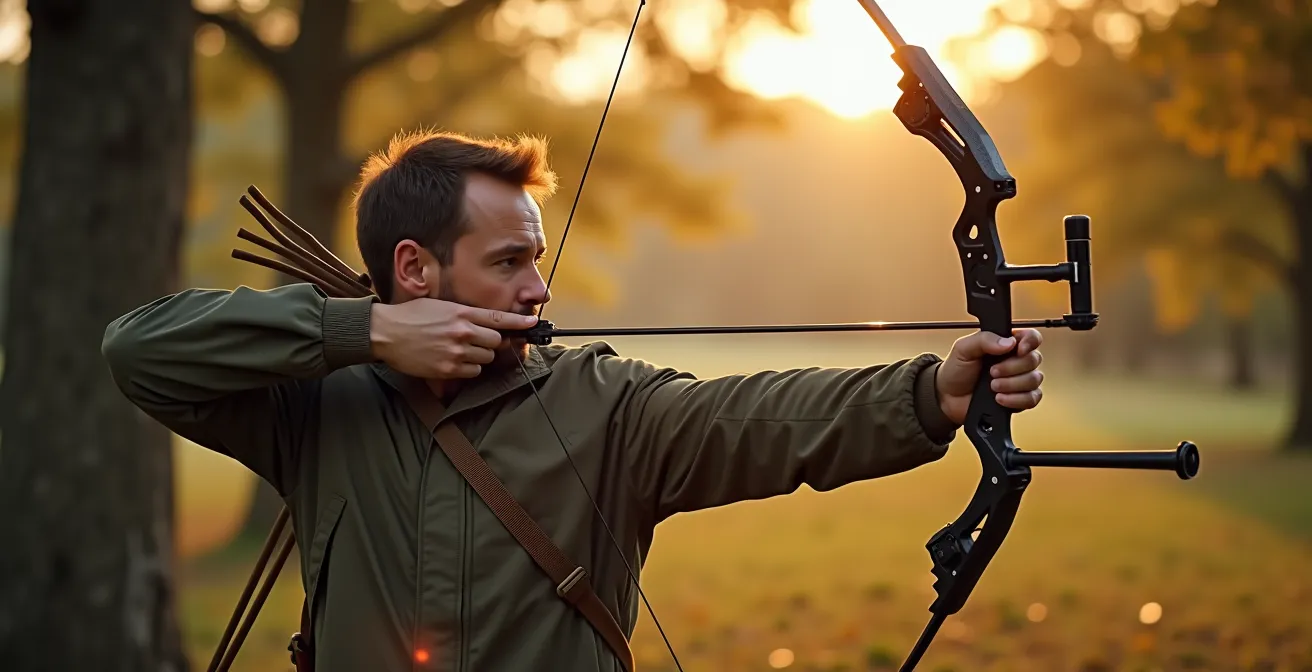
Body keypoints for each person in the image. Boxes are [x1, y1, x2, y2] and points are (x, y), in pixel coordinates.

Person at [101, 130, 1045, 672]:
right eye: (508, 263)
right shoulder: (315, 406)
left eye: (538, 261)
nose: (538, 290)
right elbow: (140, 350)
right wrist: (368, 334)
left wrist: (933, 391)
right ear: (415, 269)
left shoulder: (604, 406)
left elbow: (758, 420)